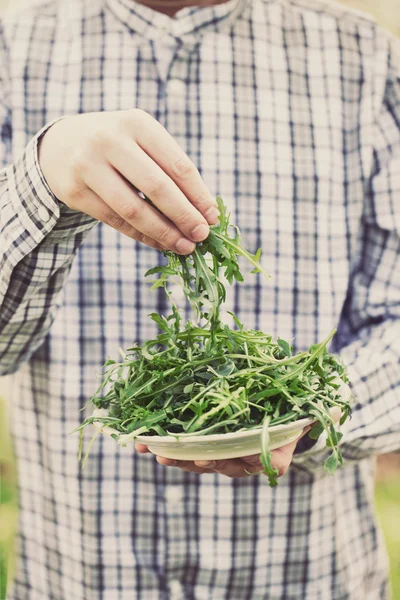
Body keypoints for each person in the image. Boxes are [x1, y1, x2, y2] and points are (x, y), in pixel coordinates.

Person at [0, 0, 399, 597]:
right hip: (78, 578)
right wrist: (39, 183)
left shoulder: (364, 56)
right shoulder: (12, 50)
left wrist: (318, 413)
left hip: (307, 576)